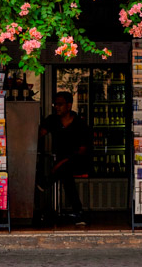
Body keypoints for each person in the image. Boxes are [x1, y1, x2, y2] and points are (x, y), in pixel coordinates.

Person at [39, 91, 91, 225]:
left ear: (69, 105)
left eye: (60, 104)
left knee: (65, 169)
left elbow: (81, 151)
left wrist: (57, 166)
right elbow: (39, 134)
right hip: (60, 163)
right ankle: (79, 213)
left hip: (77, 160)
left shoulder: (80, 124)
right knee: (66, 174)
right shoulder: (52, 120)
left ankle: (46, 182)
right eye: (55, 104)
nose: (57, 107)